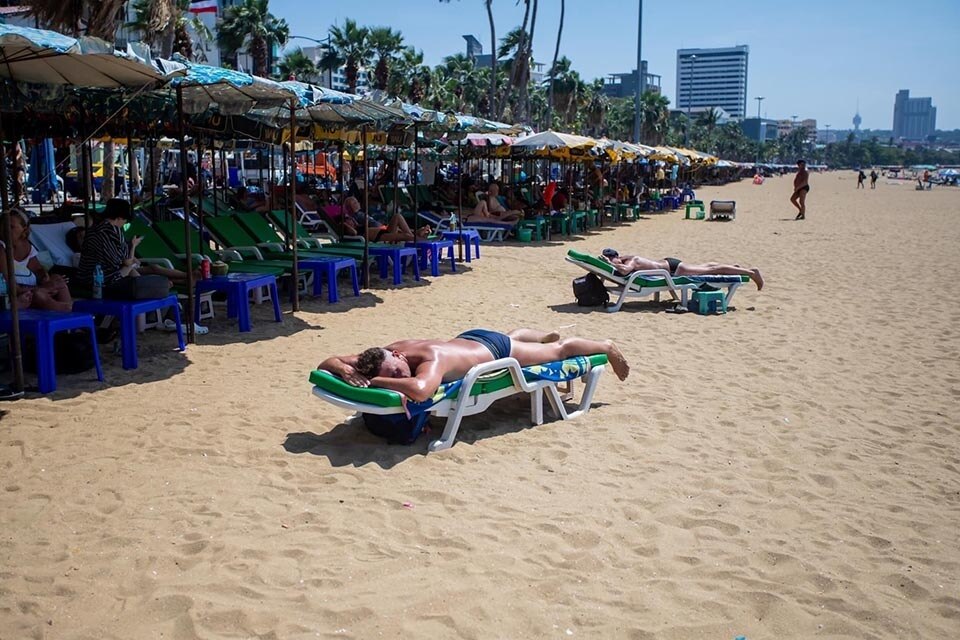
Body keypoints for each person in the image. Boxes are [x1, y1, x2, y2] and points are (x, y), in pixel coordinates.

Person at [318, 328, 630, 403]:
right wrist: (348, 370)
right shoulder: (384, 355)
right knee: (517, 339)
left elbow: (422, 391)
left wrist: (378, 383)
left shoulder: (430, 361)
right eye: (392, 376)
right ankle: (532, 334)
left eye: (399, 373)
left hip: (494, 349)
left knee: (558, 350)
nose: (403, 376)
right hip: (470, 339)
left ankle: (606, 346)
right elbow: (327, 361)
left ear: (398, 357)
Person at [76, 198, 188, 300]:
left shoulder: (92, 231)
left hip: (86, 280)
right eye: (125, 220)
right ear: (119, 217)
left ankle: (177, 281)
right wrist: (133, 245)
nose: (124, 223)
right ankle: (169, 284)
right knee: (138, 274)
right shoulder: (114, 231)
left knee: (141, 271)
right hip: (106, 281)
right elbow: (127, 262)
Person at [0, 207, 73, 312]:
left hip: (30, 290)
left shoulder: (27, 247)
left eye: (11, 227)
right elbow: (8, 284)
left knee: (58, 280)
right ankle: (67, 312)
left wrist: (46, 279)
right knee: (39, 294)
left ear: (24, 229)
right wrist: (43, 288)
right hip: (14, 295)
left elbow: (38, 270)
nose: (5, 229)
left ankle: (69, 312)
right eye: (2, 225)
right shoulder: (2, 248)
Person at [599, 248, 764, 291]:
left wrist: (611, 263)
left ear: (616, 257)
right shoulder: (627, 258)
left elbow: (625, 271)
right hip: (670, 266)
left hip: (673, 270)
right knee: (707, 266)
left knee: (710, 270)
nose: (612, 262)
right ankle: (734, 268)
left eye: (612, 259)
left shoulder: (631, 260)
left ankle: (751, 273)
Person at [340, 196, 430, 242]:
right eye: (354, 203)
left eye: (356, 201)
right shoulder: (355, 217)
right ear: (349, 208)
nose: (357, 203)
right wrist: (346, 223)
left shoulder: (358, 217)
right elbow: (354, 232)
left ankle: (417, 235)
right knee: (405, 235)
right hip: (378, 236)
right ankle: (424, 240)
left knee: (397, 216)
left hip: (383, 230)